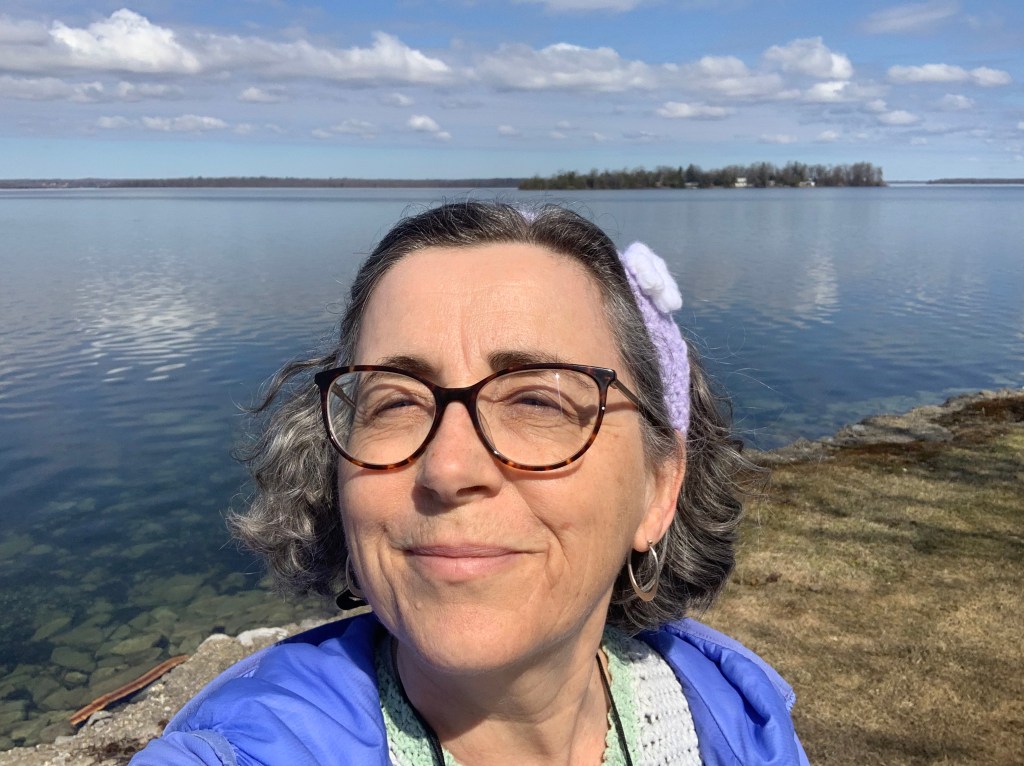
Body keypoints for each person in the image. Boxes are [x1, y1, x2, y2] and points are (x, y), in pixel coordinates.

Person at [131, 201, 809, 765]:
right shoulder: (253, 749)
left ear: (659, 489)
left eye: (539, 401)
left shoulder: (738, 720)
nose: (450, 469)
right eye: (395, 401)